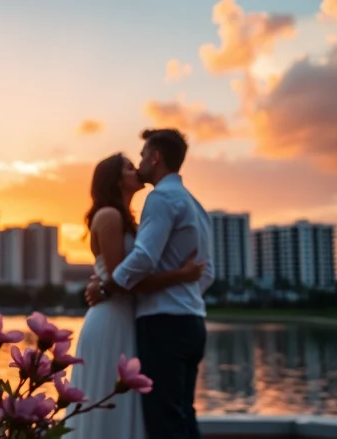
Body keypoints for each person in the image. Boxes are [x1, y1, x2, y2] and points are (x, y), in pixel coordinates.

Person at [85, 128, 215, 439]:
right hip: (192, 322)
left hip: (163, 324)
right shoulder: (195, 205)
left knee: (165, 421)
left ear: (155, 157)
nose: (140, 162)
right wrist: (183, 289)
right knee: (183, 414)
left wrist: (107, 287)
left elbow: (142, 258)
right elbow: (207, 273)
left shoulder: (160, 198)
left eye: (141, 156)